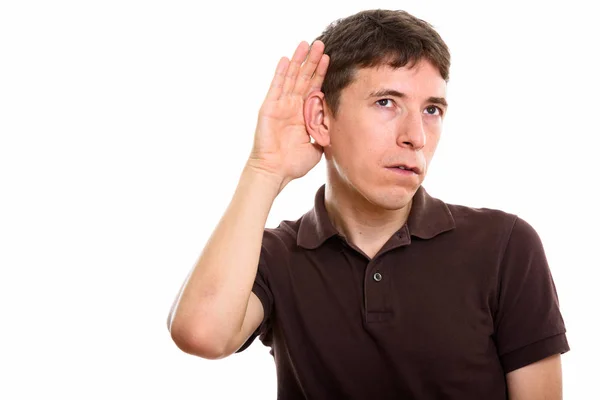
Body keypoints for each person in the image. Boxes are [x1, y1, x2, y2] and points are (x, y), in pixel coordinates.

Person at [167, 9, 570, 399]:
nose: (416, 136)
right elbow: (201, 334)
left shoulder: (505, 245)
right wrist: (265, 169)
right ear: (322, 119)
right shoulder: (275, 256)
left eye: (432, 110)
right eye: (386, 103)